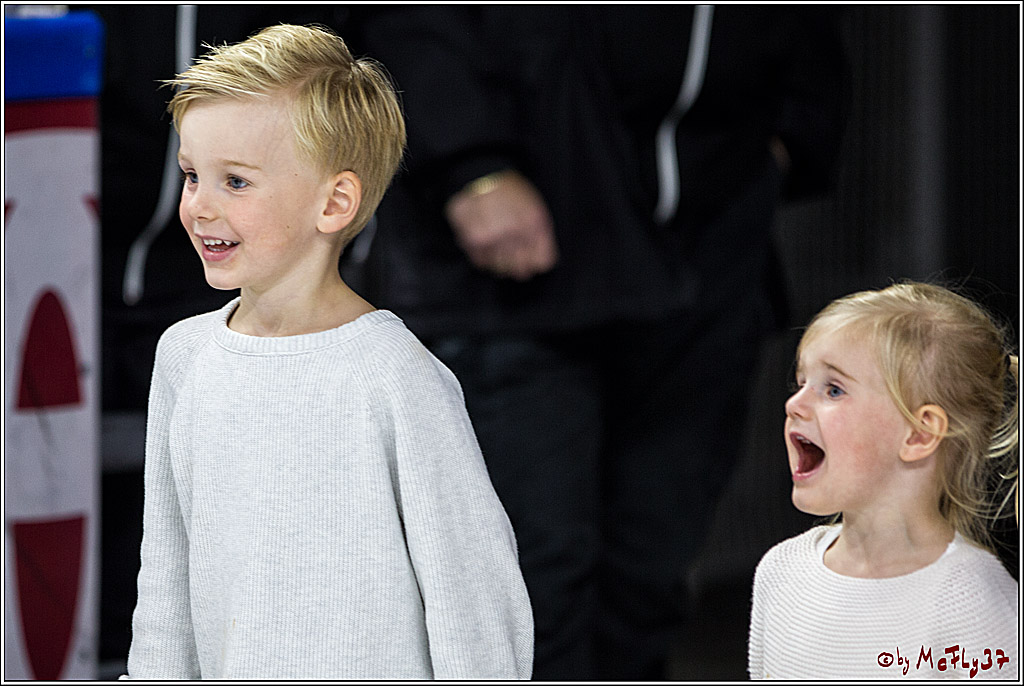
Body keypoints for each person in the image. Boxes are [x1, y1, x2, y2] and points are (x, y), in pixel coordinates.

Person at [357, 5, 849, 679]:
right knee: (528, 588)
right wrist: (469, 163)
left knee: (648, 582)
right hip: (516, 272)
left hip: (708, 259)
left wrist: (797, 130)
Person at [123, 24, 533, 680]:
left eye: (235, 182)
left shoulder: (397, 377)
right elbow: (166, 581)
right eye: (192, 175)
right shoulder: (185, 356)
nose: (199, 206)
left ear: (335, 202)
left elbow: (475, 602)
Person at [748, 281, 1019, 680]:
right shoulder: (780, 572)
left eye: (833, 389)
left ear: (919, 434)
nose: (793, 403)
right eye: (800, 382)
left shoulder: (975, 603)